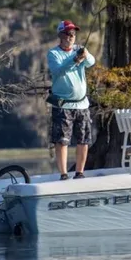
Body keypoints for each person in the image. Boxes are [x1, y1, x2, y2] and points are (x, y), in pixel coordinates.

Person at [47, 20, 95, 180]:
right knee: (62, 141)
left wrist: (84, 55)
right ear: (60, 35)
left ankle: (79, 172)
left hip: (82, 104)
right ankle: (63, 174)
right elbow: (58, 70)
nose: (71, 37)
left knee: (83, 139)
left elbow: (91, 63)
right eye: (67, 33)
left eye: (73, 34)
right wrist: (74, 60)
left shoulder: (79, 50)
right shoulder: (53, 54)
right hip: (63, 105)